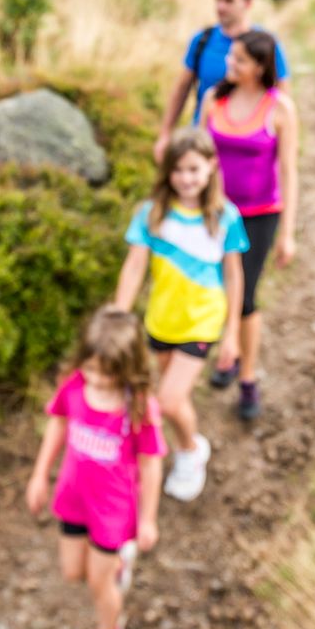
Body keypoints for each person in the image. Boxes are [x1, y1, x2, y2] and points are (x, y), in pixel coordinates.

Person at [25, 306, 166, 629]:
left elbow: (151, 464)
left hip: (113, 513)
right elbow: (57, 423)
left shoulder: (139, 407)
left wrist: (148, 519)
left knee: (97, 583)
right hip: (73, 499)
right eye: (91, 370)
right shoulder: (73, 386)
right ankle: (116, 567)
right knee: (73, 572)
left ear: (126, 368)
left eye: (107, 374)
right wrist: (40, 474)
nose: (97, 380)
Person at [113, 128, 247, 502]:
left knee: (168, 400)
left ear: (210, 168)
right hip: (161, 321)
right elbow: (135, 265)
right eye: (177, 170)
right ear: (167, 172)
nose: (186, 178)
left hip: (202, 321)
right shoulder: (151, 214)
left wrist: (232, 333)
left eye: (193, 169)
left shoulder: (225, 217)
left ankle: (190, 451)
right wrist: (119, 317)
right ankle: (187, 441)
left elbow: (235, 276)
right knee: (172, 396)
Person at [204, 30, 299, 420]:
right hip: (212, 213)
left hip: (260, 216)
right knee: (214, 288)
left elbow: (289, 172)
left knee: (245, 297)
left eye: (240, 60)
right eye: (231, 57)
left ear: (261, 67)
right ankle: (228, 352)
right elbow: (198, 154)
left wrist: (288, 233)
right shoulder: (215, 98)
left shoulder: (280, 108)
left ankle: (246, 378)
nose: (230, 64)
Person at [153, 0, 291, 166]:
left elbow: (282, 99)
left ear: (248, 2)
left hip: (248, 151)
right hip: (204, 146)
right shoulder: (202, 40)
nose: (220, 7)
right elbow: (181, 89)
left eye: (229, 0)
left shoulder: (266, 45)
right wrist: (165, 134)